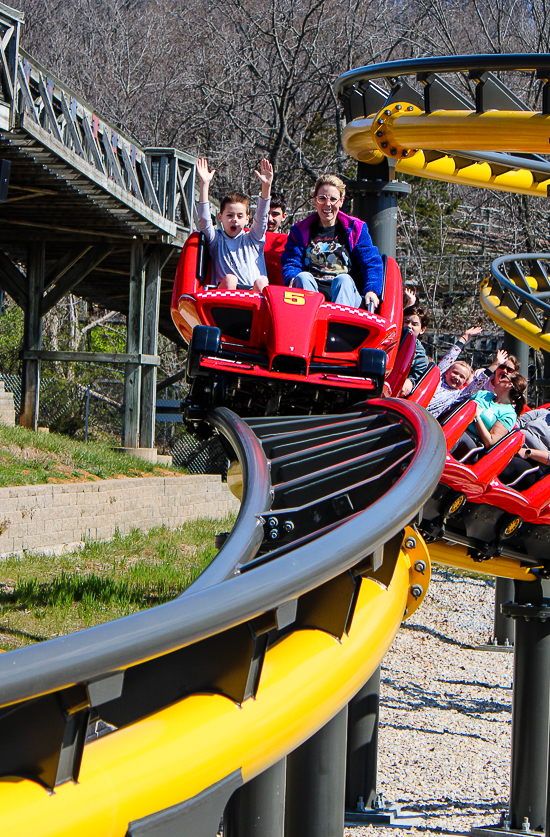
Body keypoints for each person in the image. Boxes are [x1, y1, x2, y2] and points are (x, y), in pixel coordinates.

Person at [281, 174, 383, 308]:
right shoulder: (300, 231)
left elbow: (371, 261)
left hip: (346, 295)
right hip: (314, 292)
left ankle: (339, 327)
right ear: (315, 200)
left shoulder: (355, 229)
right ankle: (308, 324)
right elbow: (291, 262)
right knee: (303, 277)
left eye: (333, 199)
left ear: (341, 201)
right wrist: (292, 277)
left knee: (343, 280)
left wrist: (372, 290)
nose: (327, 204)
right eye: (322, 198)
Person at [196, 157, 273, 292]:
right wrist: (204, 184)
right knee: (231, 279)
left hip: (253, 297)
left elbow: (261, 218)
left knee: (262, 282)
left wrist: (266, 187)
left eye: (240, 216)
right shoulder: (216, 241)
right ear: (220, 217)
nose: (235, 220)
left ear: (247, 219)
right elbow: (204, 221)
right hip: (227, 298)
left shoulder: (253, 239)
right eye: (230, 215)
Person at [427, 331, 506, 418]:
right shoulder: (438, 378)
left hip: (426, 418)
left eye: (461, 377)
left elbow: (477, 383)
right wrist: (465, 337)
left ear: (465, 381)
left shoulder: (458, 395)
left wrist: (495, 364)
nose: (457, 377)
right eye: (455, 373)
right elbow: (449, 357)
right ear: (447, 372)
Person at [451, 371, 527, 461]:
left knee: (455, 435)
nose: (499, 378)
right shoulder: (484, 394)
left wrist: (477, 418)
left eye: (503, 376)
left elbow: (490, 442)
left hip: (474, 443)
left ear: (509, 384)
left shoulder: (508, 414)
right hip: (456, 425)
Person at [400, 299, 430, 394]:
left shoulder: (420, 358)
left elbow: (412, 379)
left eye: (414, 324)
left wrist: (407, 384)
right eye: (406, 322)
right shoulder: (389, 339)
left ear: (422, 329)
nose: (409, 326)